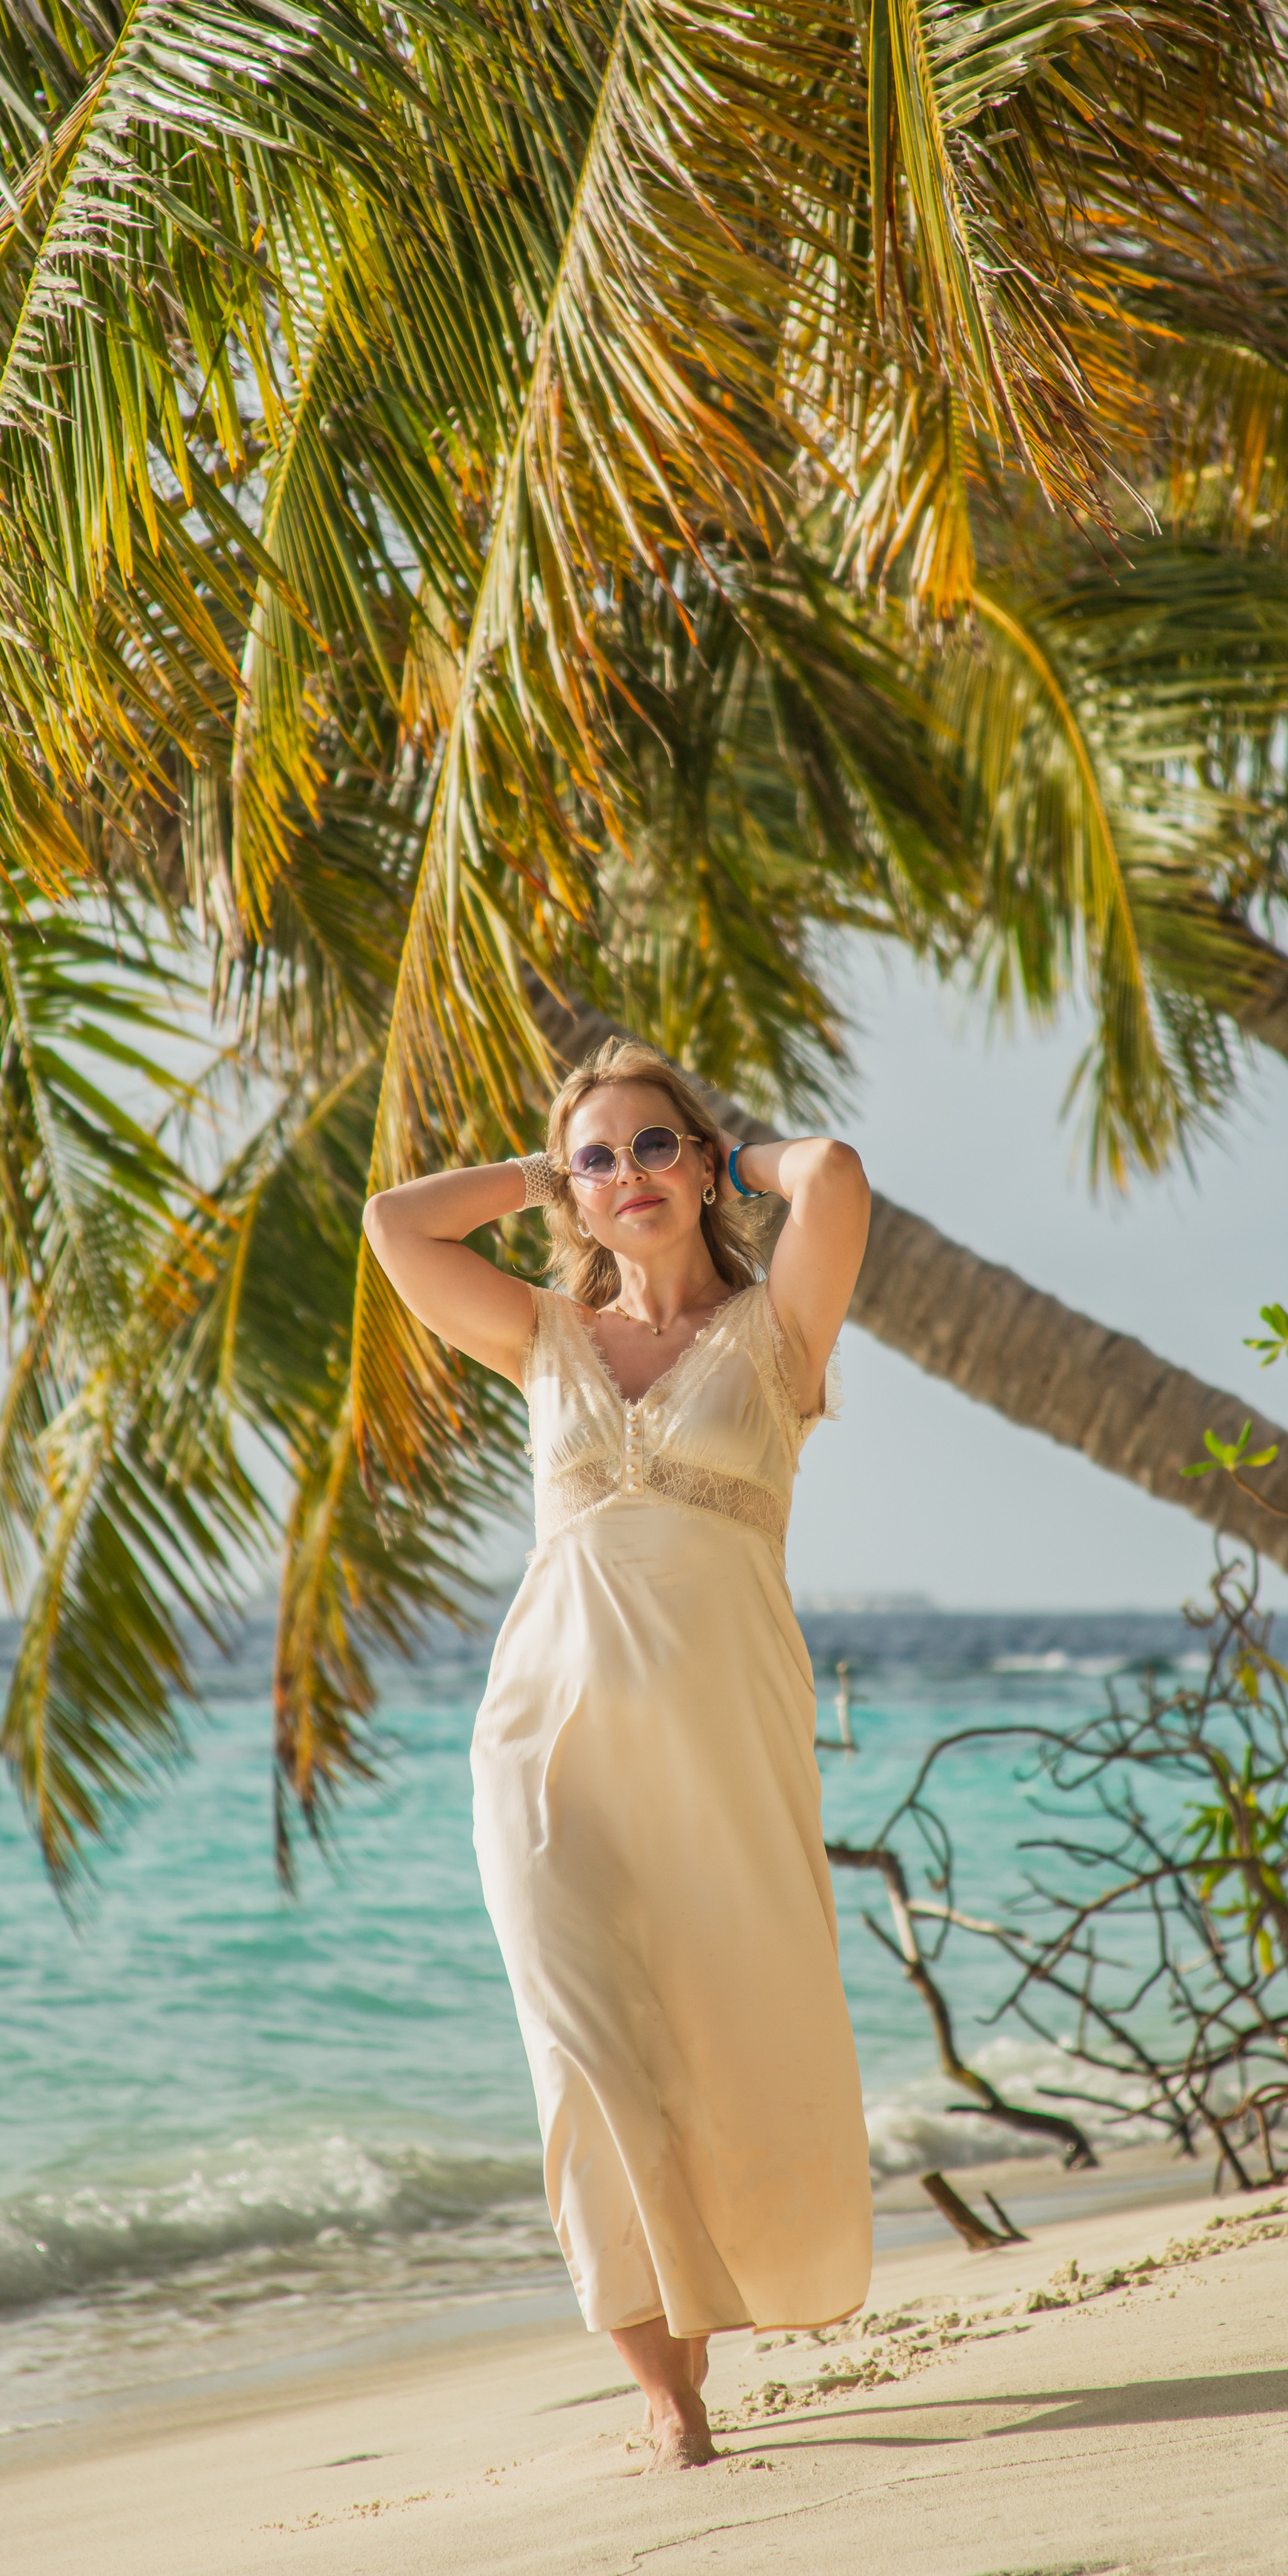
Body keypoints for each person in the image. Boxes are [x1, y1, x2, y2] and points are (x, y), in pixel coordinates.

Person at [363, 1038, 873, 2468]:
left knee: (711, 2049)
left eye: (656, 1147)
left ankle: (699, 2325)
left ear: (705, 1164)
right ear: (569, 1198)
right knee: (585, 2053)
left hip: (725, 1750)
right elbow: (396, 1222)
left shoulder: (781, 1335)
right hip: (544, 1749)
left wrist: (725, 1150)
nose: (627, 1175)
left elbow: (831, 1175)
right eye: (601, 1160)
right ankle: (667, 2394)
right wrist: (553, 1168)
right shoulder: (539, 1337)